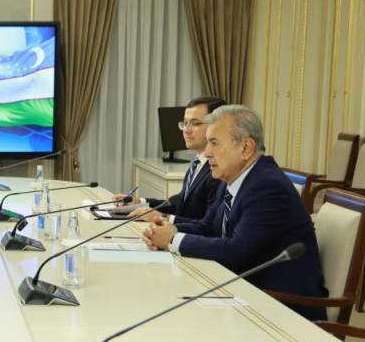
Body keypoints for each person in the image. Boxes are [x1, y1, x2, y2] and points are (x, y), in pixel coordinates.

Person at [140, 105, 326, 321]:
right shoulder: (232, 177)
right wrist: (165, 230)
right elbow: (208, 226)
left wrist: (174, 240)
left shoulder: (267, 186)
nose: (207, 152)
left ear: (246, 148)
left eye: (214, 143)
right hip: (244, 290)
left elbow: (237, 251)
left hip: (280, 308)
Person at [115, 96, 225, 221]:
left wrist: (163, 218)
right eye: (185, 123)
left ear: (216, 126)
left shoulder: (219, 170)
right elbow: (181, 202)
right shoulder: (198, 162)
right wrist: (140, 203)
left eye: (195, 123)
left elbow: (209, 225)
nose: (186, 130)